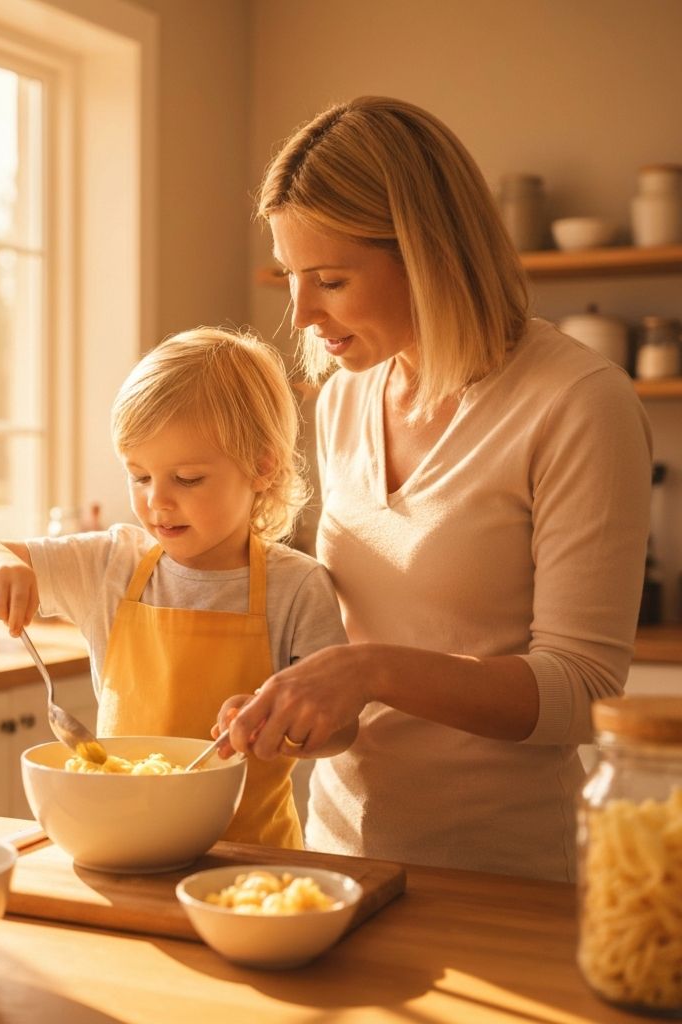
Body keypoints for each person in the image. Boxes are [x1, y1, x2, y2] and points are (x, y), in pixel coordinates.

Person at [216, 96, 653, 881]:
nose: (302, 312)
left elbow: (583, 692)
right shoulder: (346, 397)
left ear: (429, 253)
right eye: (290, 277)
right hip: (340, 858)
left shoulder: (577, 401)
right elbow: (359, 651)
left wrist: (370, 671)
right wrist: (304, 705)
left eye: (332, 279)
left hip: (502, 873)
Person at [0, 327, 352, 849]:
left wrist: (285, 724)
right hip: (122, 842)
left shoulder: (297, 587)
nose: (158, 502)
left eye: (186, 478)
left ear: (262, 467)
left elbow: (341, 730)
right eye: (139, 477)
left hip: (252, 858)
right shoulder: (110, 565)